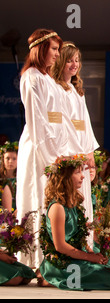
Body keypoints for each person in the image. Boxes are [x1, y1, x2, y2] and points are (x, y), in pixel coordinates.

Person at [15, 29, 70, 268]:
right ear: (41, 49)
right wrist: (51, 158)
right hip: (39, 149)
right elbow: (37, 119)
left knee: (51, 202)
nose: (58, 54)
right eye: (54, 49)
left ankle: (51, 257)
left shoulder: (47, 78)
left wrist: (64, 149)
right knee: (37, 197)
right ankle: (35, 261)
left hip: (54, 146)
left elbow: (58, 118)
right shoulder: (32, 77)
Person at [37, 154, 110, 290]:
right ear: (65, 178)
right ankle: (51, 276)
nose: (82, 176)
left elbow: (79, 237)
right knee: (109, 276)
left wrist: (92, 253)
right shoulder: (57, 207)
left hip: (75, 256)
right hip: (62, 261)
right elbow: (60, 246)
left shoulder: (74, 204)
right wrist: (88, 257)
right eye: (77, 172)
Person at [52, 41, 99, 248]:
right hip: (69, 154)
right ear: (60, 62)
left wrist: (90, 155)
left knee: (84, 199)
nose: (74, 64)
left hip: (81, 152)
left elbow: (85, 125)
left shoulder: (77, 90)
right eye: (69, 60)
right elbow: (58, 125)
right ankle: (72, 247)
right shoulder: (55, 89)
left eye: (77, 60)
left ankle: (86, 245)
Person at [0, 141, 18, 212]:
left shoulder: (21, 179)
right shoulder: (1, 180)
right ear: (3, 159)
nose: (10, 161)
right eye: (7, 158)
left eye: (14, 159)